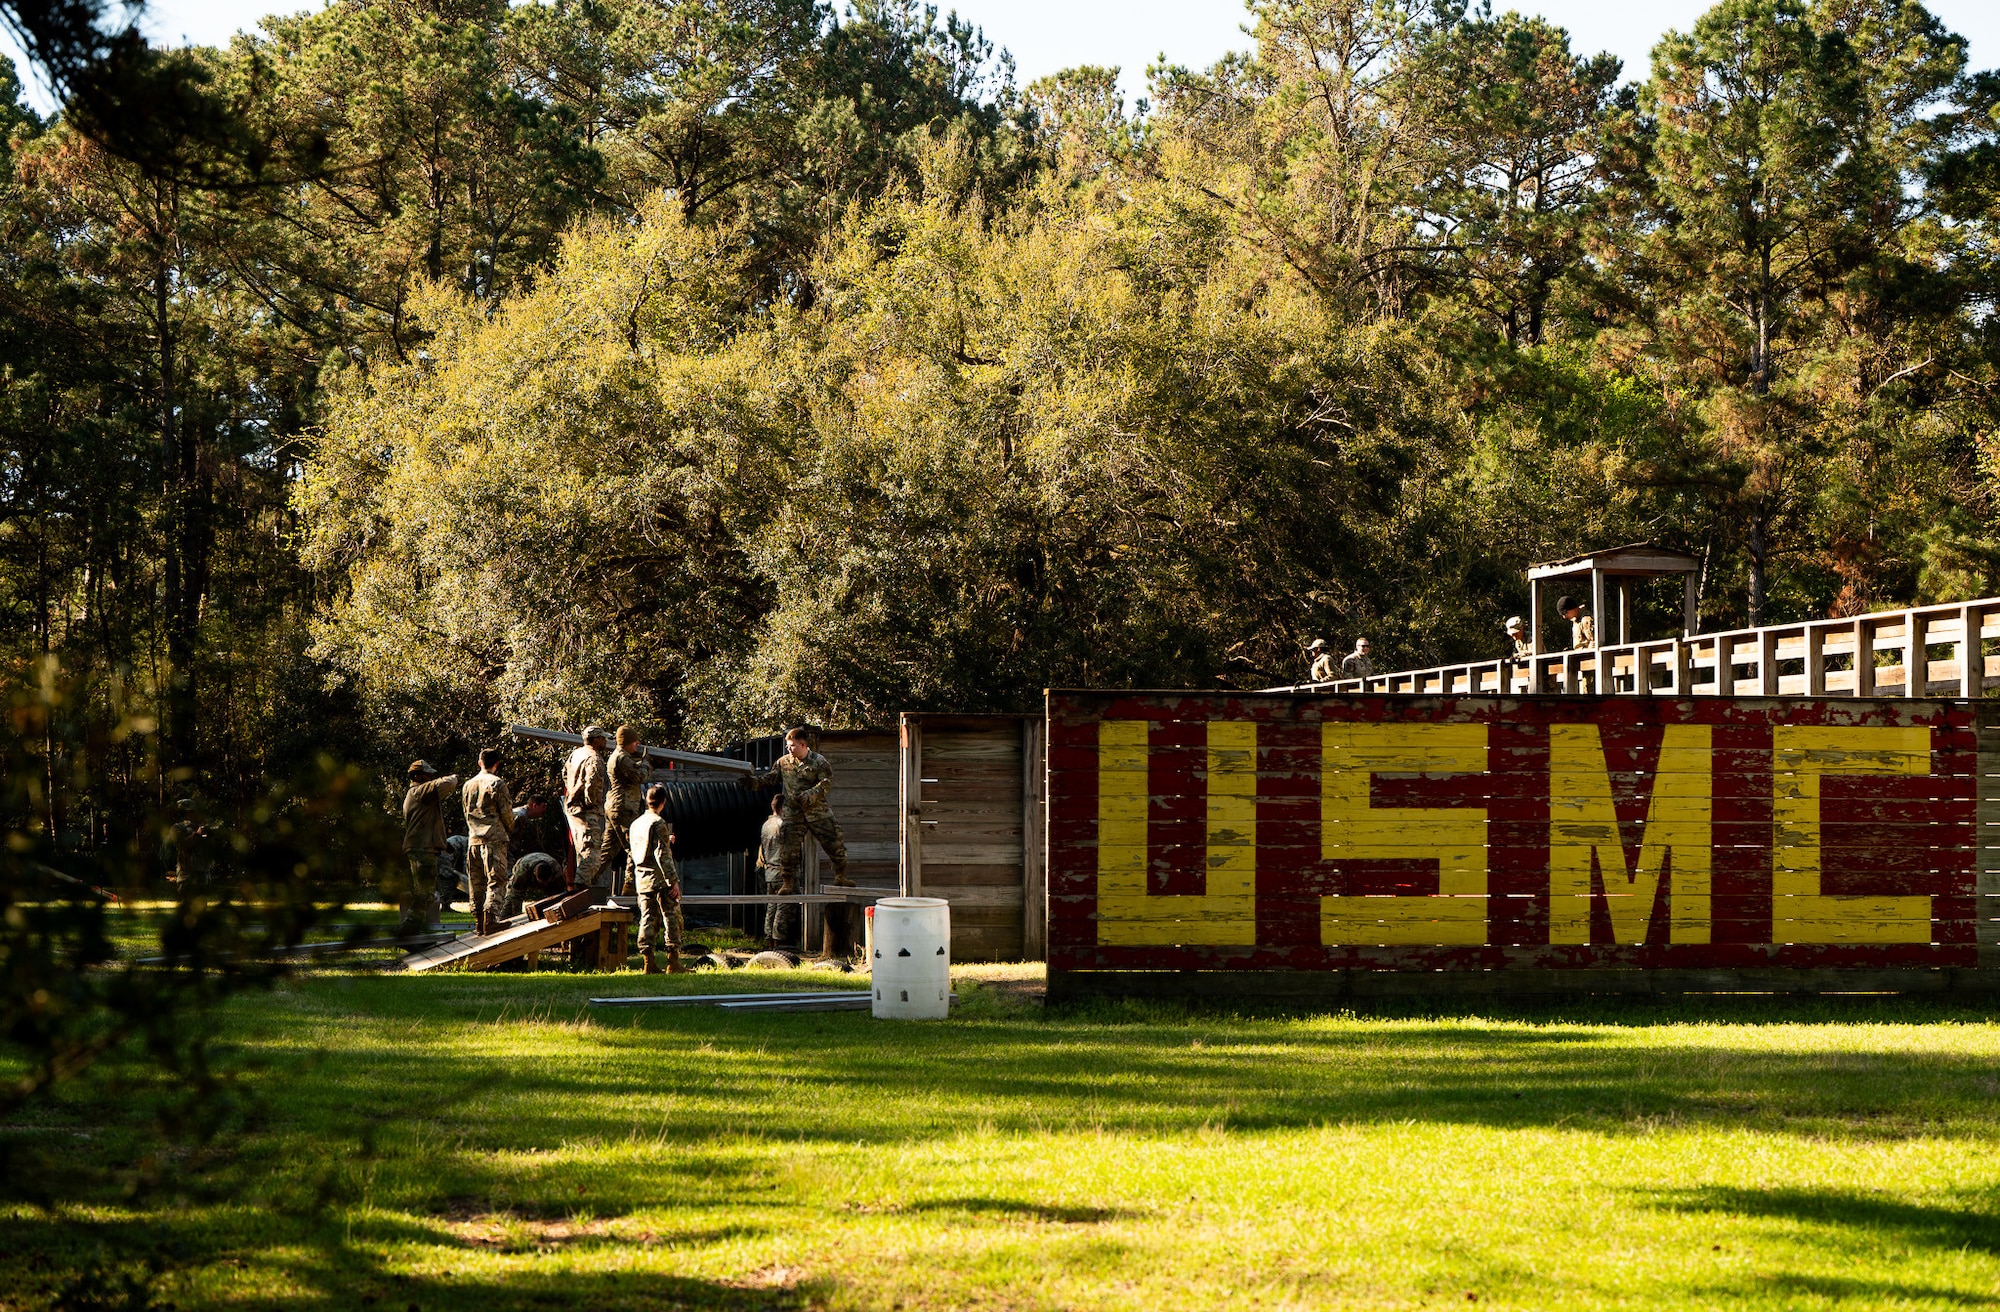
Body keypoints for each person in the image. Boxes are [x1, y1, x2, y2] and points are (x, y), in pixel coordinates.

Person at [399, 760, 462, 938]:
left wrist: (444, 844)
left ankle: (413, 930)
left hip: (421, 847)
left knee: (423, 891)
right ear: (417, 776)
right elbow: (448, 783)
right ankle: (408, 929)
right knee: (425, 893)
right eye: (428, 774)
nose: (432, 777)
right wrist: (455, 777)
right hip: (423, 849)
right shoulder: (420, 792)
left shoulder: (415, 795)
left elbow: (427, 825)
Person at [628, 783, 686, 974]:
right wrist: (673, 881)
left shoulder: (636, 823)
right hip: (660, 878)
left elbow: (639, 849)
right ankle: (673, 962)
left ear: (646, 801)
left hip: (642, 878)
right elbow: (662, 855)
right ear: (663, 802)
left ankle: (648, 962)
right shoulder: (658, 823)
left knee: (646, 919)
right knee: (672, 918)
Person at [461, 748, 514, 935]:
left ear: (479, 762)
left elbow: (465, 812)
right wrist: (509, 829)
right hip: (494, 838)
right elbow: (506, 813)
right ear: (496, 764)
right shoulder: (497, 783)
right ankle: (490, 919)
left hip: (473, 839)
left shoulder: (468, 784)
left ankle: (478, 921)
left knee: (475, 883)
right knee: (497, 880)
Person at [563, 725, 611, 890]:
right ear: (596, 740)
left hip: (572, 807)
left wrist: (572, 790)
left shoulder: (575, 754)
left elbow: (564, 773)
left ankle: (579, 887)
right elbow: (592, 785)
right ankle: (581, 889)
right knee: (591, 852)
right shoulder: (594, 759)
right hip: (586, 810)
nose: (605, 741)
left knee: (581, 849)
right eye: (603, 738)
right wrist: (593, 804)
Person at [603, 725, 649, 896]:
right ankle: (629, 887)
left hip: (614, 807)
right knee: (634, 846)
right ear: (626, 742)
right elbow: (640, 777)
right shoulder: (623, 758)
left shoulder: (619, 756)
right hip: (625, 808)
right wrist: (646, 762)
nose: (637, 744)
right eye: (634, 741)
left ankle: (586, 882)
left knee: (607, 850)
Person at [757, 793, 796, 950]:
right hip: (782, 870)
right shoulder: (783, 825)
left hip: (769, 871)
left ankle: (769, 940)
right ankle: (779, 941)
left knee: (771, 907)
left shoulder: (766, 825)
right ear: (782, 807)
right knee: (783, 907)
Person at [501, 850, 566, 919]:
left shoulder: (556, 870)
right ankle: (502, 918)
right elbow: (516, 896)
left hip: (543, 859)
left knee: (556, 894)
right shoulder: (523, 871)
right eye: (542, 883)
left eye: (546, 882)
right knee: (509, 900)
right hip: (523, 863)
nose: (544, 885)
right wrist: (517, 917)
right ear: (535, 874)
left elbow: (561, 893)